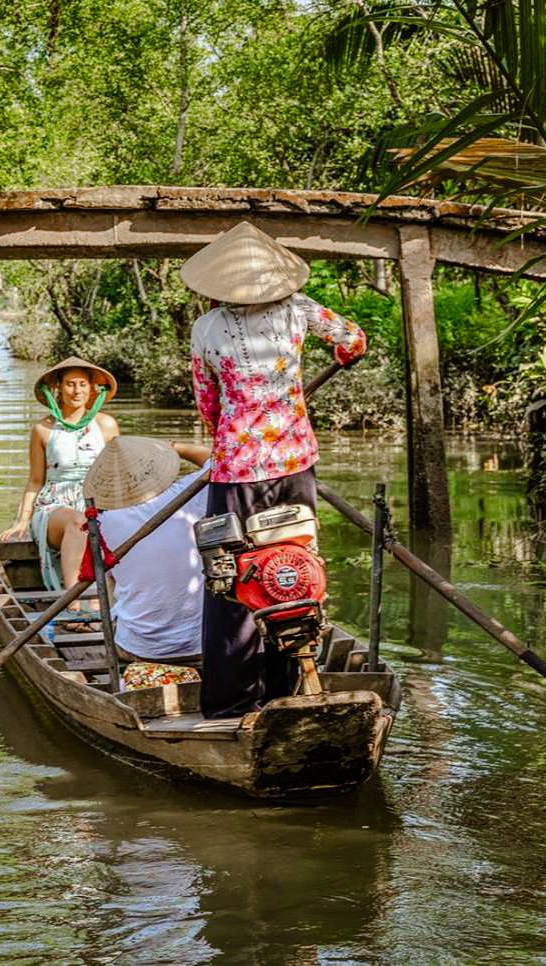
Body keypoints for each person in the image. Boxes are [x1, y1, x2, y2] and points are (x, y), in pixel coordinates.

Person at [182, 221, 366, 718]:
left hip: (235, 471)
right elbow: (354, 341)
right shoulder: (300, 310)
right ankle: (286, 689)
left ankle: (228, 702)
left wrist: (233, 432)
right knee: (290, 572)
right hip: (293, 465)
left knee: (231, 581)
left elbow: (208, 405)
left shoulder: (206, 328)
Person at [82, 435, 210, 665]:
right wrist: (175, 447)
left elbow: (108, 583)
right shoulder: (188, 493)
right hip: (206, 643)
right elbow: (217, 461)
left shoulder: (101, 522)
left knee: (114, 591)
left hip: (141, 649)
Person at [0, 357, 119, 591]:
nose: (77, 391)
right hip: (54, 507)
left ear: (92, 388)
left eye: (83, 384)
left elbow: (117, 476)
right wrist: (22, 520)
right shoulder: (43, 429)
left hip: (98, 503)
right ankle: (74, 604)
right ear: (58, 388)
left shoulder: (106, 425)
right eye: (70, 384)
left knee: (101, 522)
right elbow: (35, 481)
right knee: (79, 522)